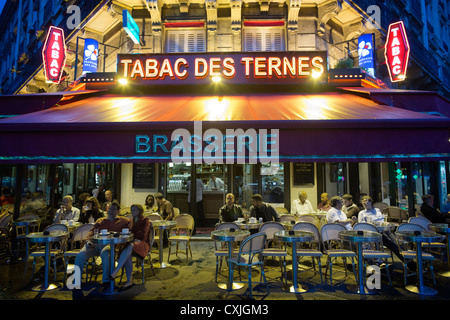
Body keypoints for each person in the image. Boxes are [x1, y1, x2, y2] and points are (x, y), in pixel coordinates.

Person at [74, 201, 131, 290]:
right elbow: (91, 232)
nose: (111, 211)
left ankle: (106, 281)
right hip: (95, 244)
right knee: (80, 255)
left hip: (108, 245)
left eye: (114, 209)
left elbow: (132, 225)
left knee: (105, 253)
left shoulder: (123, 221)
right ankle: (76, 282)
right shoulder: (100, 220)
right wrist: (88, 241)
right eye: (110, 208)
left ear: (118, 211)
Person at [110, 204, 151, 290]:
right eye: (132, 210)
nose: (133, 212)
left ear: (139, 211)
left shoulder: (145, 220)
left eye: (135, 210)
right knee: (127, 253)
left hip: (142, 243)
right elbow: (127, 232)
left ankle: (116, 270)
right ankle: (129, 281)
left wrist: (134, 238)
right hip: (132, 243)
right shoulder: (131, 221)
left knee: (130, 246)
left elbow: (144, 234)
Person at [357, 195, 406, 267]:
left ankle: (407, 259)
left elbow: (381, 220)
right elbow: (362, 225)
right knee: (392, 244)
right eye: (363, 202)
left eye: (366, 202)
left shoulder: (377, 210)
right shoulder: (362, 213)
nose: (364, 204)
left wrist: (384, 223)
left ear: (371, 202)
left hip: (383, 231)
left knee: (397, 243)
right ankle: (408, 261)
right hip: (374, 234)